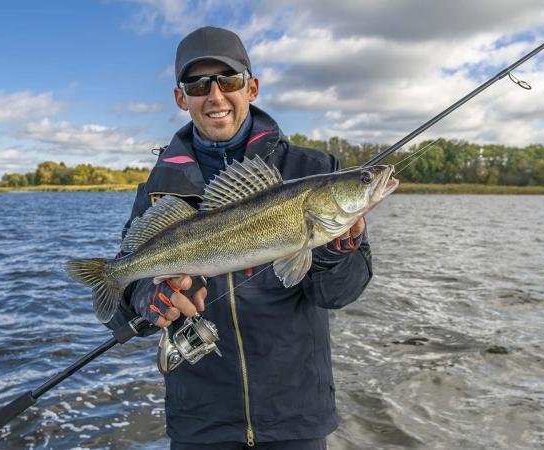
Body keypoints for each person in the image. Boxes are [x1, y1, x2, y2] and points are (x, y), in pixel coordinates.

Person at [105, 26, 373, 450]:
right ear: (181, 98)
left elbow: (337, 294)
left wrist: (336, 253)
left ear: (251, 87)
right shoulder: (158, 189)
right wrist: (144, 297)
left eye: (228, 81)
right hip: (200, 422)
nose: (215, 96)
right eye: (198, 85)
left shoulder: (314, 170)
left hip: (294, 417)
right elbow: (122, 309)